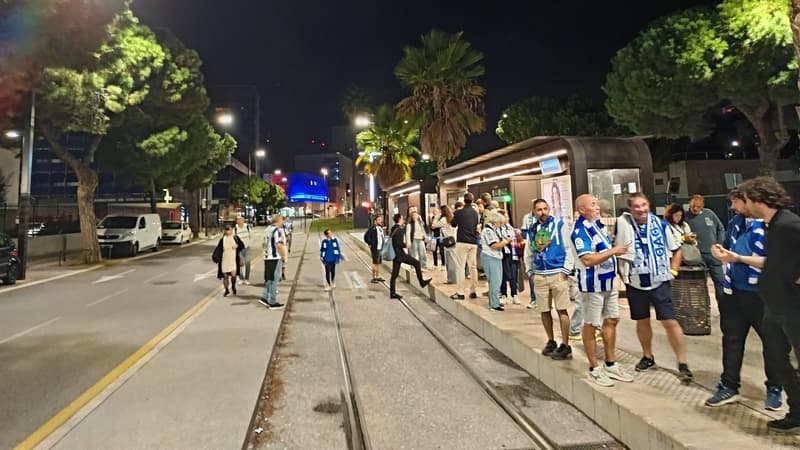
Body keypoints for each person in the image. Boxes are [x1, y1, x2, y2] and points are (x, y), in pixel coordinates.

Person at [717, 177, 800, 433]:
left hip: (791, 306)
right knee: (776, 357)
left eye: (747, 200)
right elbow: (774, 262)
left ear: (757, 199)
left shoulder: (789, 224)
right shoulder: (771, 226)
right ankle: (797, 409)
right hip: (774, 306)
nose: (743, 206)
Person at [706, 188, 782, 410]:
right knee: (731, 340)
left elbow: (775, 261)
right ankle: (729, 385)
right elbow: (731, 250)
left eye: (736, 203)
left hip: (761, 295)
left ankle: (775, 387)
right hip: (734, 293)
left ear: (748, 201)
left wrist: (738, 257)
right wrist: (722, 252)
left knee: (772, 343)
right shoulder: (736, 223)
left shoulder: (771, 226)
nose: (732, 207)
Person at [615, 193, 693, 383]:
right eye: (636, 207)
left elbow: (676, 250)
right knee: (642, 320)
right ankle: (648, 356)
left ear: (648, 205)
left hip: (660, 281)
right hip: (635, 282)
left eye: (643, 205)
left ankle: (683, 363)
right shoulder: (624, 226)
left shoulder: (661, 225)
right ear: (630, 209)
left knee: (669, 321)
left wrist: (673, 272)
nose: (641, 210)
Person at [570, 194, 633, 387]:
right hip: (592, 285)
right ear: (582, 210)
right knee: (591, 323)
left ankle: (611, 363)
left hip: (608, 283)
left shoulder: (597, 226)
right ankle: (594, 367)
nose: (598, 207)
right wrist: (614, 251)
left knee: (612, 319)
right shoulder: (579, 231)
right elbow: (587, 259)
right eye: (593, 204)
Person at [525, 199, 574, 360]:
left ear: (549, 209)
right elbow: (529, 251)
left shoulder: (560, 226)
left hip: (557, 272)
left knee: (562, 309)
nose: (543, 212)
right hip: (540, 274)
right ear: (534, 211)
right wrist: (531, 271)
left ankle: (565, 344)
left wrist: (565, 270)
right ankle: (551, 340)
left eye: (545, 208)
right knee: (544, 310)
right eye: (539, 209)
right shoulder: (533, 230)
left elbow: (568, 248)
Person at [685, 195, 726, 300]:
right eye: (693, 206)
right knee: (700, 285)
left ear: (702, 206)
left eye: (698, 207)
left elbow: (720, 228)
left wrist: (719, 242)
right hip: (698, 256)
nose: (695, 209)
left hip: (713, 254)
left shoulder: (709, 214)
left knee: (720, 281)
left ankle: (724, 308)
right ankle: (703, 311)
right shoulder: (686, 217)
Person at [389, 214, 431, 300]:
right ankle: (422, 282)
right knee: (416, 262)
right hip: (400, 254)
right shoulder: (399, 230)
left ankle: (392, 293)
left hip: (396, 254)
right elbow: (398, 243)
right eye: (402, 218)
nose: (403, 219)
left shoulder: (393, 229)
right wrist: (406, 245)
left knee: (394, 274)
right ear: (400, 219)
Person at [450, 193, 480, 300]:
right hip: (473, 242)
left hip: (462, 241)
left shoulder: (459, 212)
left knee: (460, 267)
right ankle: (473, 291)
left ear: (464, 200)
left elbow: (453, 224)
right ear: (472, 200)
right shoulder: (475, 213)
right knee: (473, 267)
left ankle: (460, 292)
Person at [480, 212, 509, 311]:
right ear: (496, 222)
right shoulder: (488, 231)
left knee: (497, 281)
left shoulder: (493, 230)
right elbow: (494, 246)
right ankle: (494, 304)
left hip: (496, 257)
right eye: (501, 223)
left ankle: (495, 301)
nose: (501, 225)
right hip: (490, 257)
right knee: (494, 281)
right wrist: (505, 242)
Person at [259, 216, 287, 309]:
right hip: (274, 257)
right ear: (278, 221)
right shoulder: (277, 231)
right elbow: (278, 245)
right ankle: (273, 302)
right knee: (275, 279)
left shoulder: (267, 229)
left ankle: (264, 296)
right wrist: (283, 256)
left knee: (269, 278)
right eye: (282, 220)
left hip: (267, 257)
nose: (283, 222)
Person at [498, 209, 522, 304]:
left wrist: (518, 235)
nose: (507, 218)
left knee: (513, 275)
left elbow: (518, 240)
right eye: (505, 216)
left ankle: (514, 294)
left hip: (513, 254)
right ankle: (503, 294)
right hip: (503, 254)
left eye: (507, 216)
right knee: (504, 275)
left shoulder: (511, 228)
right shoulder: (498, 229)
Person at [215, 225, 244, 297]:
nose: (228, 231)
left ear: (232, 230)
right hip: (224, 259)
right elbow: (218, 249)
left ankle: (233, 286)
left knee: (233, 275)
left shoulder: (235, 238)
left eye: (229, 229)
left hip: (233, 259)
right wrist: (216, 257)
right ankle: (227, 290)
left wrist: (237, 246)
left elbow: (242, 246)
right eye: (227, 230)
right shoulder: (222, 240)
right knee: (225, 276)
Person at [520, 200, 538, 309]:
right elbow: (524, 232)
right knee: (532, 274)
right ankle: (534, 299)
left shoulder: (549, 219)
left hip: (545, 250)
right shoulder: (527, 217)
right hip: (532, 247)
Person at [434, 204, 459, 284]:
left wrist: (436, 216)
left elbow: (434, 225)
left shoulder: (444, 219)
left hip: (448, 242)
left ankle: (452, 279)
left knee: (450, 262)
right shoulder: (453, 217)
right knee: (453, 261)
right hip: (454, 240)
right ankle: (453, 278)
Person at [363, 215, 386, 283]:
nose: (380, 221)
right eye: (379, 220)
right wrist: (370, 243)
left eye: (381, 220)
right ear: (375, 221)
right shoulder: (372, 228)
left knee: (378, 262)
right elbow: (366, 236)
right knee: (375, 262)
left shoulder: (380, 228)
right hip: (375, 248)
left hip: (380, 247)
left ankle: (377, 276)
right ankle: (374, 277)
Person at [234, 216, 253, 285]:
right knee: (240, 263)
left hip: (247, 248)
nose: (241, 221)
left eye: (242, 219)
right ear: (237, 221)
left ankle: (246, 279)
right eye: (239, 220)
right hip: (239, 249)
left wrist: (248, 243)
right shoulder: (235, 229)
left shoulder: (247, 227)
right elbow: (233, 238)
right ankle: (241, 278)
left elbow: (251, 236)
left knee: (248, 263)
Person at [429, 207, 446, 271]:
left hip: (441, 236)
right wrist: (432, 227)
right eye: (433, 212)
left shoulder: (441, 218)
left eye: (435, 211)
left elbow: (440, 226)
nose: (434, 212)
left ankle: (443, 264)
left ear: (438, 211)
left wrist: (435, 226)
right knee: (434, 250)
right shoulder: (433, 218)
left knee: (442, 251)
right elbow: (431, 226)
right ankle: (435, 264)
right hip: (434, 236)